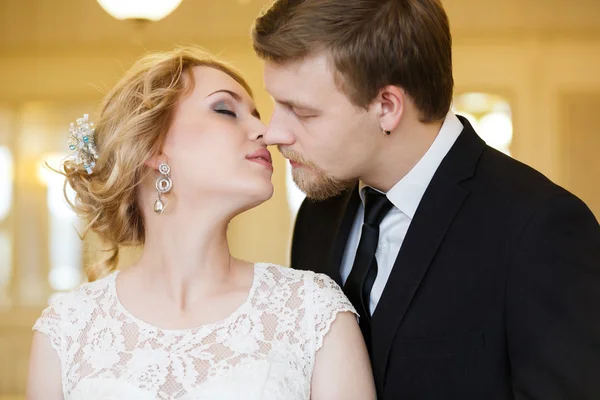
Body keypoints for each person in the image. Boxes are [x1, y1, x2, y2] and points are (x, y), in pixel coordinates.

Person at [252, 0, 600, 398]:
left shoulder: (539, 228)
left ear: (387, 107)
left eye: (302, 112)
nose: (274, 132)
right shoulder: (318, 216)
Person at [26, 47, 376, 400]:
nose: (265, 132)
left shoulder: (312, 312)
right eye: (226, 110)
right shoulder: (68, 330)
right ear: (152, 146)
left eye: (255, 114)